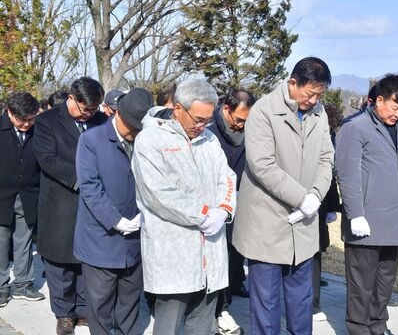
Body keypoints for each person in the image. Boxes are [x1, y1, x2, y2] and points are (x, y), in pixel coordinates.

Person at [232, 57, 334, 335]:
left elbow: (327, 158)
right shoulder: (264, 111)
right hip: (267, 221)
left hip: (304, 222)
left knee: (301, 298)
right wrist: (303, 198)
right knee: (266, 300)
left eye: (319, 94)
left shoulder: (319, 113)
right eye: (309, 93)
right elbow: (262, 165)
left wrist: (315, 195)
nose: (313, 100)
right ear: (292, 83)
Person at [132, 79, 236, 335]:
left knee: (202, 324)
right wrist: (201, 215)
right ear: (178, 108)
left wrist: (223, 209)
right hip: (173, 251)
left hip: (211, 251)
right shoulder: (150, 140)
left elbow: (227, 177)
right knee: (168, 323)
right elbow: (158, 193)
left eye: (208, 120)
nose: (202, 126)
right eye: (198, 119)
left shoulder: (209, 140)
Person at [336, 74, 398, 335]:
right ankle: (359, 328)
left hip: (396, 221)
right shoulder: (355, 127)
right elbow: (347, 175)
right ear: (379, 100)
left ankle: (378, 325)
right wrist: (355, 214)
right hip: (367, 222)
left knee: (385, 281)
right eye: (395, 107)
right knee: (362, 283)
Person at [73, 88, 153, 334]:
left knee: (129, 306)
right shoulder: (91, 140)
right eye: (133, 128)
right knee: (100, 307)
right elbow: (90, 187)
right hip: (100, 241)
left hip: (136, 240)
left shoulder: (146, 140)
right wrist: (115, 220)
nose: (136, 134)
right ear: (119, 115)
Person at [33, 77, 107, 335]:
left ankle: (85, 309)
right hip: (61, 200)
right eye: (84, 109)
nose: (88, 114)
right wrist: (82, 180)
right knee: (59, 262)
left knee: (86, 261)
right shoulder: (47, 121)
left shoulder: (100, 121)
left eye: (93, 110)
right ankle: (64, 313)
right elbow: (47, 159)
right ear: (71, 99)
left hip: (93, 203)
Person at [211, 88, 256, 335]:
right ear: (225, 109)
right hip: (211, 209)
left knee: (229, 260)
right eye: (238, 120)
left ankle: (222, 308)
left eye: (245, 121)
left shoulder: (248, 133)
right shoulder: (209, 130)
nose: (240, 126)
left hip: (238, 208)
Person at [0, 92, 45, 308]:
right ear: (9, 113)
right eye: (22, 119)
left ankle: (23, 283)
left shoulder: (39, 131)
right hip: (2, 195)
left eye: (31, 119)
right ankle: (1, 286)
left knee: (24, 239)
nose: (27, 124)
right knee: (0, 241)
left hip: (28, 194)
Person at [312, 102, 343, 322]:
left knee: (315, 252)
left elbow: (330, 175)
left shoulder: (330, 140)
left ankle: (313, 301)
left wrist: (332, 205)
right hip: (304, 200)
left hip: (319, 202)